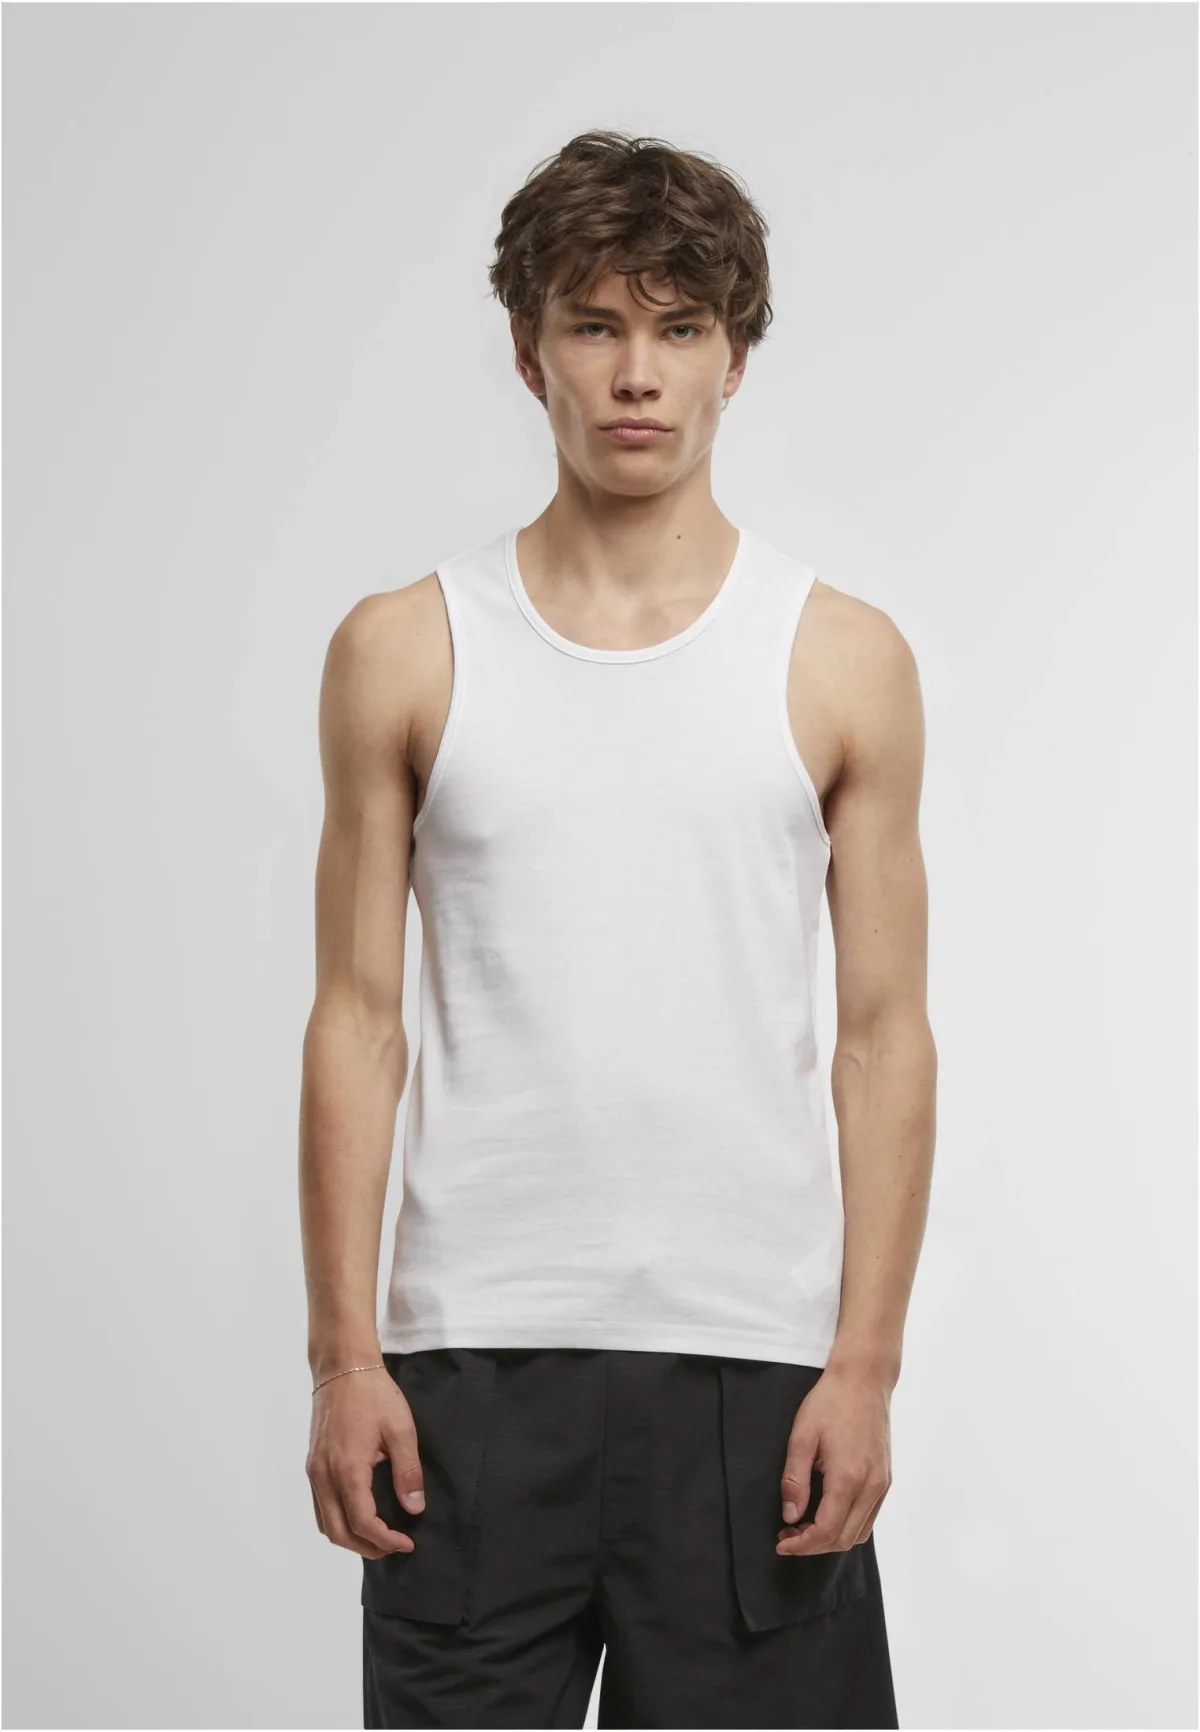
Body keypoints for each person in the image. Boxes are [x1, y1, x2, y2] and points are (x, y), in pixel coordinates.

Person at [299, 129, 936, 1730]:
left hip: (752, 1371)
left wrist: (864, 1365)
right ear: (530, 355)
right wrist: (343, 1356)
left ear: (736, 357)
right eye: (594, 325)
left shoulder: (841, 658)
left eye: (679, 328)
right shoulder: (405, 649)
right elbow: (357, 1019)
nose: (637, 374)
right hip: (471, 1370)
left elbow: (883, 1037)